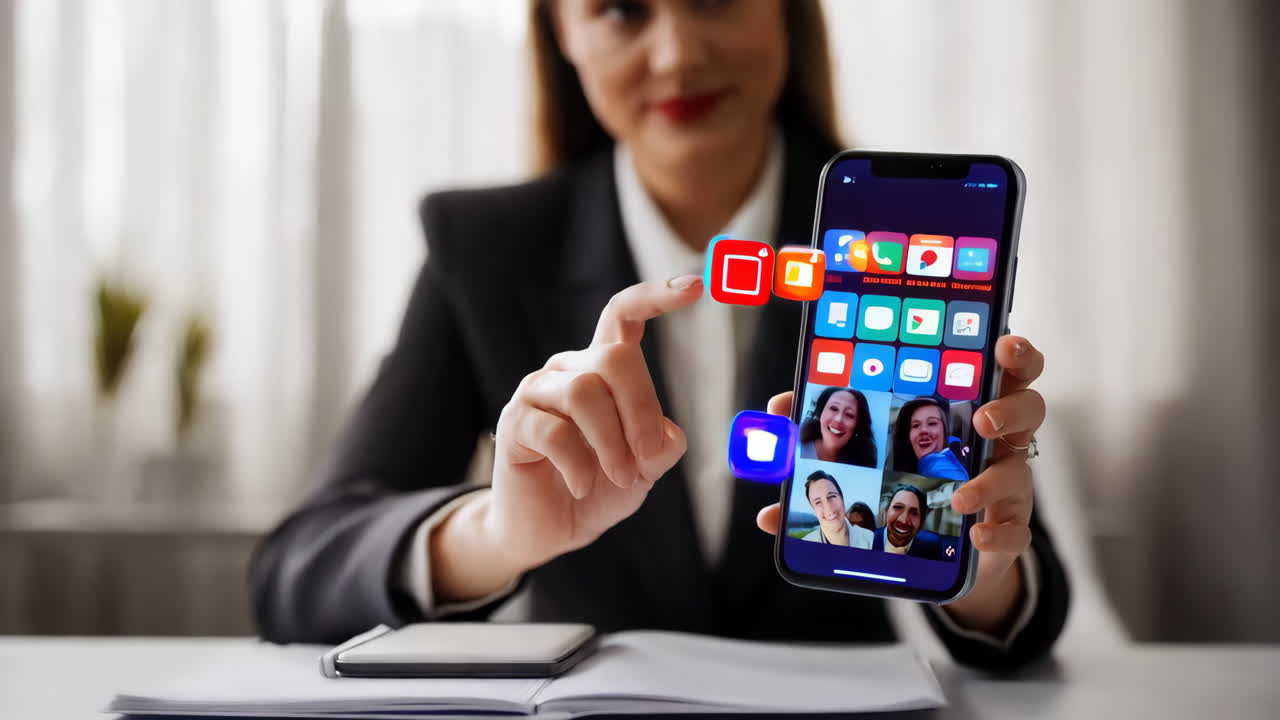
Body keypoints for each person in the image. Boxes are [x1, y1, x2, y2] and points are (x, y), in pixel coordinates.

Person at [250, 0, 1068, 672]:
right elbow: (298, 571)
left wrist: (976, 571)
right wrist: (498, 535)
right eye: (620, 10)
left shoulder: (902, 236)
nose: (676, 55)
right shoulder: (484, 248)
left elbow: (1026, 623)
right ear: (561, 31)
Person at [892, 397, 970, 482]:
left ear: (944, 429)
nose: (923, 430)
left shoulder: (942, 469)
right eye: (915, 425)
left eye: (932, 423)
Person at [872, 484, 955, 561]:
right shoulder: (866, 539)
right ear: (886, 512)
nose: (904, 520)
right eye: (898, 507)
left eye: (914, 513)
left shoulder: (939, 546)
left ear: (921, 522)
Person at [797, 387, 877, 468]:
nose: (838, 419)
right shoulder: (796, 450)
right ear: (821, 413)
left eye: (849, 414)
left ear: (857, 427)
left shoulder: (861, 465)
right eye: (834, 408)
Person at [800, 470, 873, 548]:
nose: (828, 508)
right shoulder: (804, 545)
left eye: (832, 496)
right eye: (818, 502)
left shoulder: (870, 538)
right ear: (813, 509)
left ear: (842, 498)